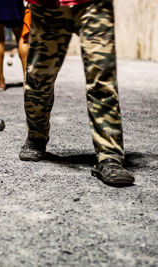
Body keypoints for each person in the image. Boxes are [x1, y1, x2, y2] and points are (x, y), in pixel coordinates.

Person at [19, 0, 135, 186]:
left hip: (94, 5)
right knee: (39, 79)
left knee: (102, 78)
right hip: (47, 6)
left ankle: (109, 156)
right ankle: (36, 136)